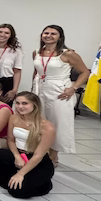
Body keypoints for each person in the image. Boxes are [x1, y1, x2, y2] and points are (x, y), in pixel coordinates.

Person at [31, 25, 89, 161]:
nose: (49, 35)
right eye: (46, 33)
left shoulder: (68, 54)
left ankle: (53, 154)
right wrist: (32, 90)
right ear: (41, 35)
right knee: (40, 121)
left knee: (57, 122)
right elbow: (37, 71)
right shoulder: (36, 52)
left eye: (53, 33)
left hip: (59, 90)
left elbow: (85, 72)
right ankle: (41, 150)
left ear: (60, 37)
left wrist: (73, 88)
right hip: (40, 88)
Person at [0, 92, 55, 198]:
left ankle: (43, 183)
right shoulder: (14, 118)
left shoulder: (47, 127)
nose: (20, 107)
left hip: (37, 160)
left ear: (34, 105)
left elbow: (38, 155)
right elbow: (10, 140)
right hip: (19, 154)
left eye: (25, 103)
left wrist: (21, 174)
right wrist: (17, 156)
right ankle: (13, 179)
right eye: (17, 103)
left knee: (17, 192)